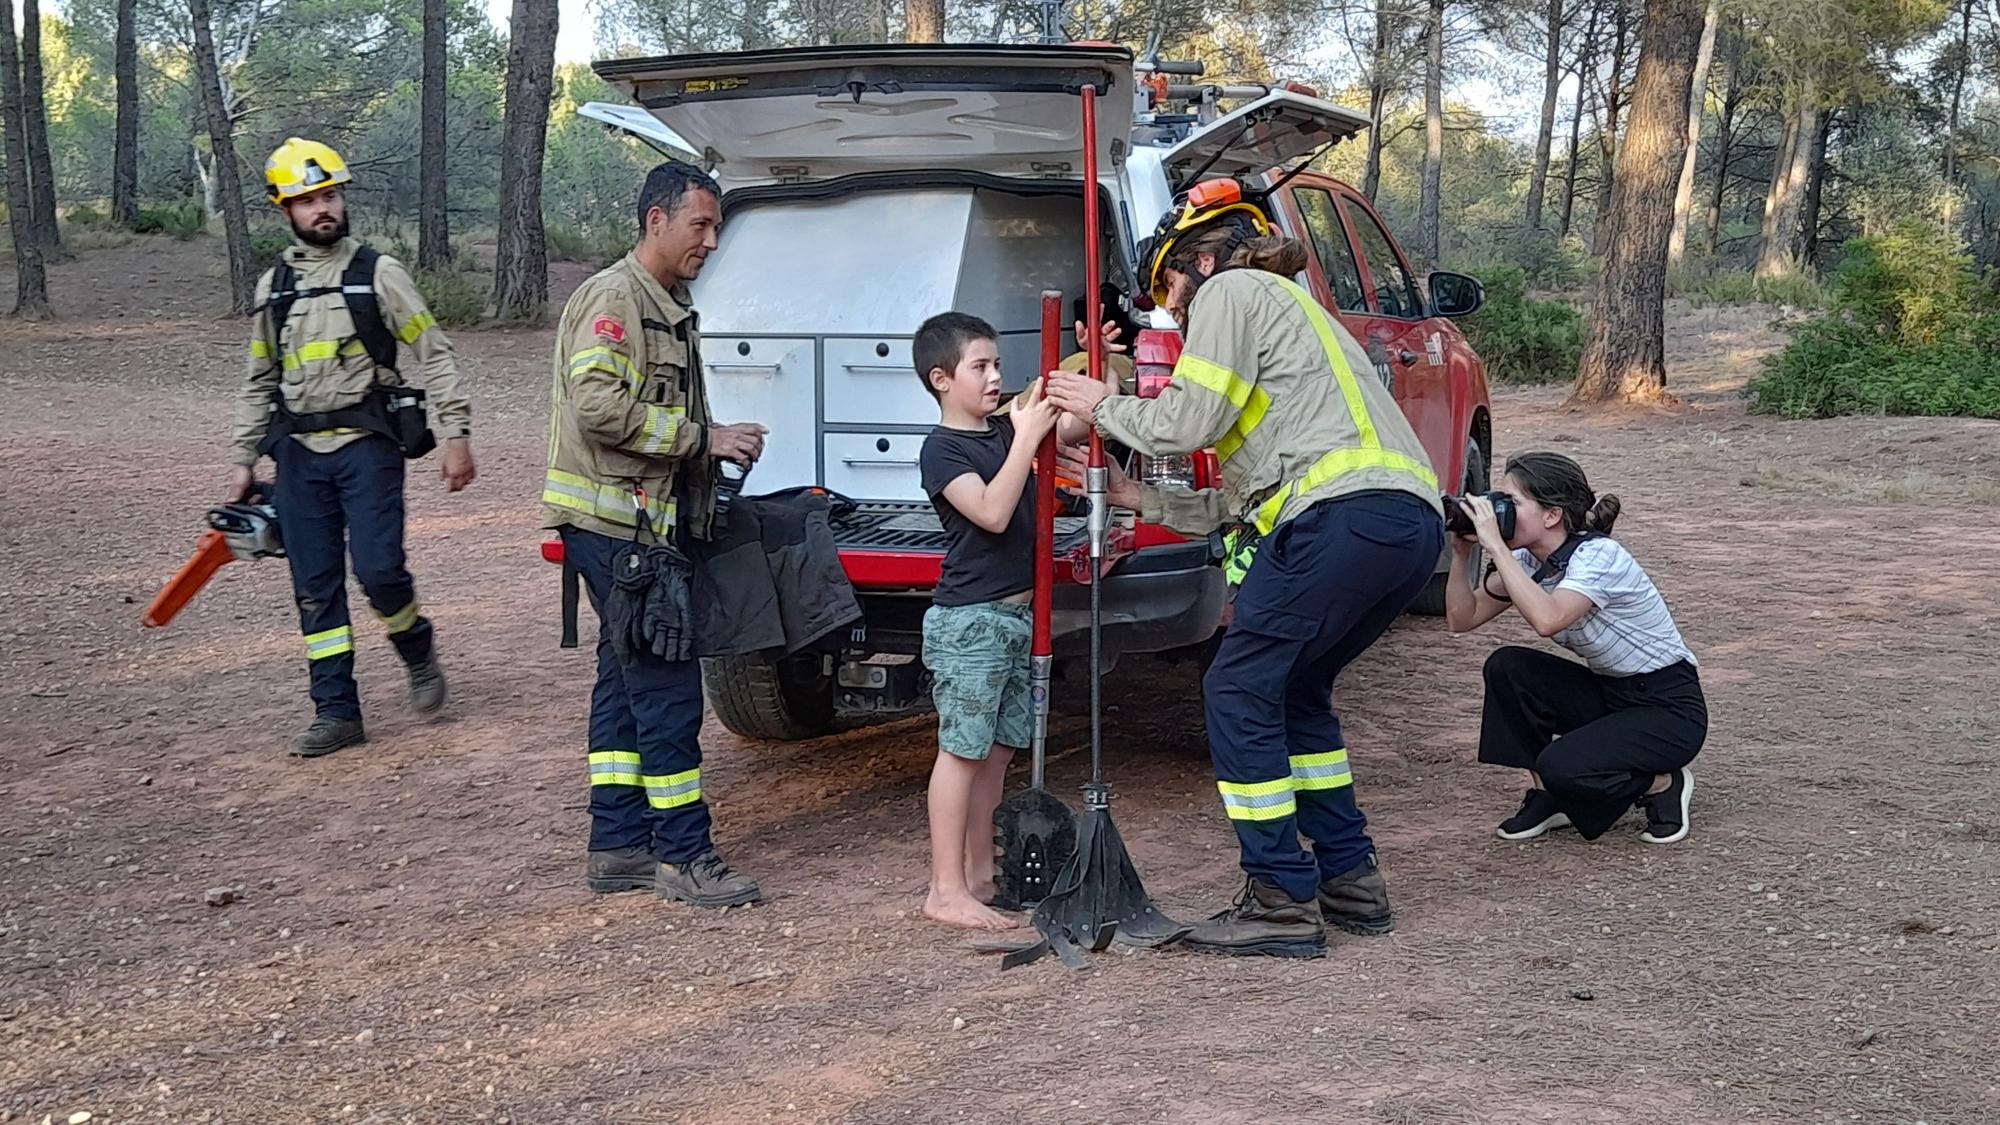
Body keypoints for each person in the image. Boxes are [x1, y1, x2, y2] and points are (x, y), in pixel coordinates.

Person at [1046, 181, 1443, 958]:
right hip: (1401, 524)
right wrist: (1135, 494)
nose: (1171, 310)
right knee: (1296, 691)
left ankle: (1279, 896)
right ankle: (1349, 880)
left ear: (1198, 258)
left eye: (1167, 288)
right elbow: (1236, 504)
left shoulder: (1230, 289)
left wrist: (1099, 403)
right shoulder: (1297, 316)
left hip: (1338, 518)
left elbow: (1185, 421)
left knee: (1234, 687)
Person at [545, 159, 770, 907]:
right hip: (618, 527)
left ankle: (617, 843)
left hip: (628, 524)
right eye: (700, 225)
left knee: (623, 682)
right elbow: (598, 408)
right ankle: (683, 854)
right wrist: (705, 438)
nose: (711, 241)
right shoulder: (616, 299)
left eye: (716, 227)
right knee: (669, 689)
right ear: (656, 221)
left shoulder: (665, 301)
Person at [225, 137, 475, 758]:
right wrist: (243, 457)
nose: (322, 209)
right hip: (297, 457)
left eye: (329, 195)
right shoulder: (273, 288)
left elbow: (434, 352)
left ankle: (416, 647)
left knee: (379, 569)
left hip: (368, 446)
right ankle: (336, 712)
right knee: (315, 586)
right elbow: (260, 378)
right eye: (307, 200)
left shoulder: (378, 274)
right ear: (285, 209)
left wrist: (455, 434)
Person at [1444, 452, 1705, 844]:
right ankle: (1550, 797)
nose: (1497, 509)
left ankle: (1661, 783)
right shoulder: (1526, 560)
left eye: (1512, 502)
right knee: (1507, 666)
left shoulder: (1599, 556)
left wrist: (1496, 548)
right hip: (1610, 692)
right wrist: (1462, 555)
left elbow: (1549, 620)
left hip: (1667, 709)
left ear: (1551, 515)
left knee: (1562, 765)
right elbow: (1461, 619)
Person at [913, 312, 1062, 930]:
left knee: (997, 752)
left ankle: (978, 872)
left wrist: (1091, 361)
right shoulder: (942, 448)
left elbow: (1070, 418)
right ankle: (944, 890)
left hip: (1013, 617)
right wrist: (1024, 439)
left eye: (997, 364)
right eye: (980, 366)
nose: (996, 376)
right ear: (942, 379)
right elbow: (993, 512)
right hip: (970, 622)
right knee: (962, 751)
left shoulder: (1003, 427)